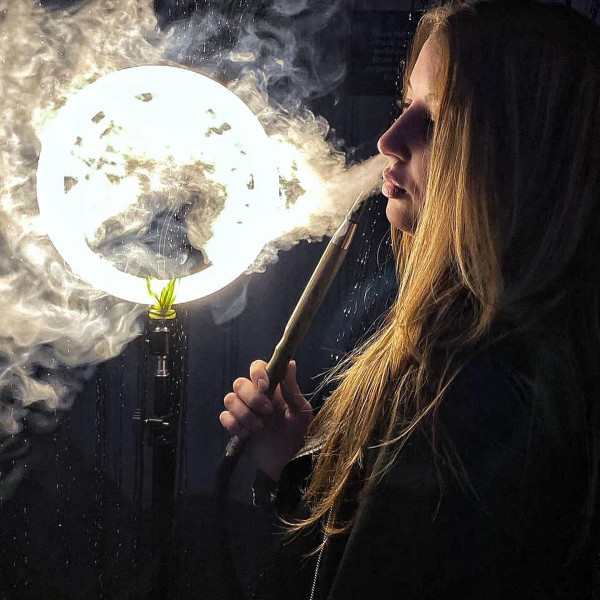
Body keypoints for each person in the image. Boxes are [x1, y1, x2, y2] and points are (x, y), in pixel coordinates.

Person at [220, 0, 600, 597]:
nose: (389, 139)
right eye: (406, 106)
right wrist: (293, 461)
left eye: (438, 121)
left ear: (517, 158)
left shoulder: (472, 390)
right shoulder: (492, 361)